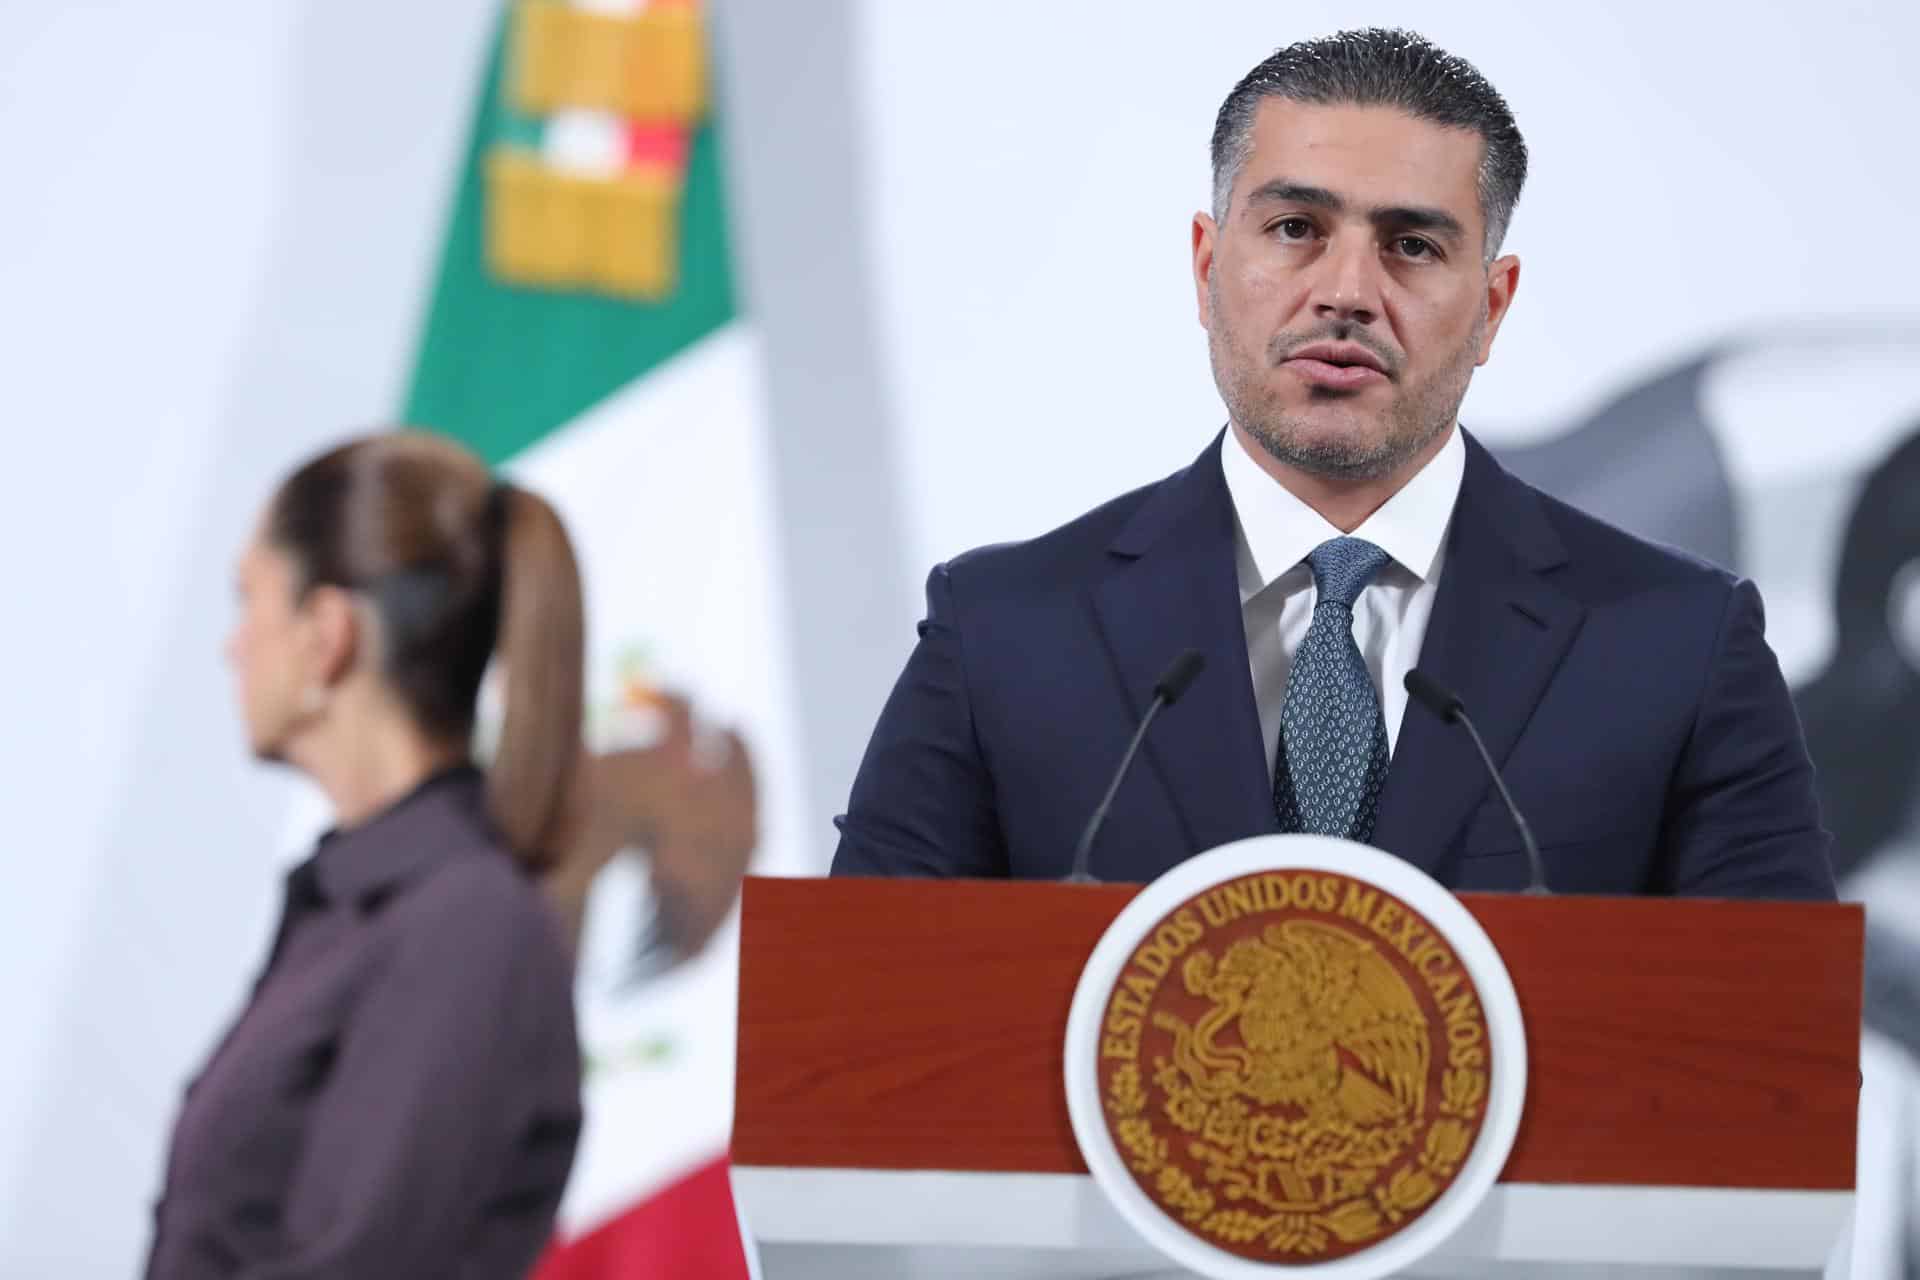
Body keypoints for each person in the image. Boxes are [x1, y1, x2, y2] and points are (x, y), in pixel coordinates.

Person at [831, 28, 1834, 899]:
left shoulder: (1679, 645)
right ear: (1206, 267)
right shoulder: (1003, 632)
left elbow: (1772, 1041)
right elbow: (856, 1017)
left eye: (1412, 245)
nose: (1347, 291)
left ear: (1492, 308)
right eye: (1296, 229)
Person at [147, 432, 585, 1278]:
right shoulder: (367, 907)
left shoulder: (465, 926)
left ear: (328, 634)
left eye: (249, 599)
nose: (232, 645)